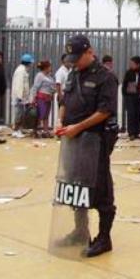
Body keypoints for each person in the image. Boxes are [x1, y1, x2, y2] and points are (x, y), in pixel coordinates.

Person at [58, 34, 119, 257]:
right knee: (75, 186)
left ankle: (104, 238)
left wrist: (78, 127)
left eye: (78, 57)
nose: (74, 62)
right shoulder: (73, 74)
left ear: (89, 52)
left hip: (95, 141)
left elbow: (105, 111)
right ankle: (80, 230)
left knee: (100, 188)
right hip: (72, 140)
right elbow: (65, 100)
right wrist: (61, 121)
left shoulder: (105, 77)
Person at [122, 56, 140, 140]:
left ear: (138, 64)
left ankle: (136, 133)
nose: (131, 65)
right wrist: (126, 96)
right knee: (131, 114)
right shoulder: (129, 73)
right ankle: (131, 133)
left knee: (138, 114)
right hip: (130, 97)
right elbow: (124, 85)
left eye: (132, 64)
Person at [30, 60, 56, 136]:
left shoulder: (49, 76)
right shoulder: (39, 75)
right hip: (41, 98)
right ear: (46, 67)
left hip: (48, 98)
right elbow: (35, 87)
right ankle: (35, 131)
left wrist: (54, 90)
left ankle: (45, 131)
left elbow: (52, 87)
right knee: (40, 114)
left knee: (46, 115)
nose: (51, 68)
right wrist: (33, 98)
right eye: (49, 66)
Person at [11, 54, 34, 133]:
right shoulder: (21, 71)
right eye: (30, 63)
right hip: (19, 97)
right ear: (27, 62)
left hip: (21, 97)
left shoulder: (23, 70)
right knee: (18, 114)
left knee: (20, 114)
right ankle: (16, 131)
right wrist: (20, 97)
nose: (31, 64)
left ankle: (19, 130)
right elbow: (19, 84)